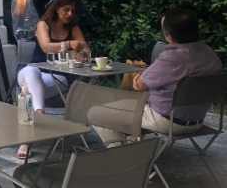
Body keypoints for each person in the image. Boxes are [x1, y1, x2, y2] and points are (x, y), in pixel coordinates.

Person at [94, 9, 222, 147]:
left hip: (166, 120)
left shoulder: (171, 59)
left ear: (170, 37)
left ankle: (122, 156)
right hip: (197, 121)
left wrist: (140, 81)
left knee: (98, 113)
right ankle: (132, 148)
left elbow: (140, 85)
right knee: (130, 110)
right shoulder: (211, 55)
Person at [16, 0, 87, 159]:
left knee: (28, 96)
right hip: (28, 75)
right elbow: (46, 47)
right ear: (56, 9)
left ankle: (26, 141)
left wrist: (79, 54)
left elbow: (84, 49)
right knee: (31, 71)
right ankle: (40, 114)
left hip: (57, 78)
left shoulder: (73, 29)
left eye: (72, 11)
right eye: (66, 9)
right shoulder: (43, 24)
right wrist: (69, 45)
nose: (69, 14)